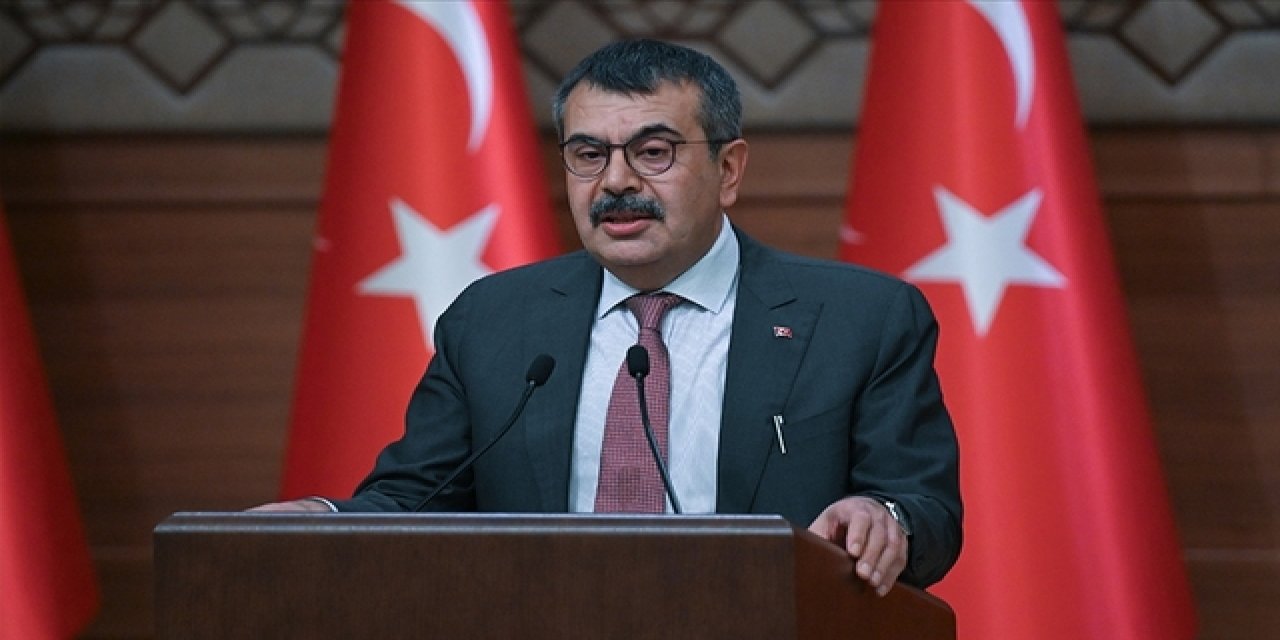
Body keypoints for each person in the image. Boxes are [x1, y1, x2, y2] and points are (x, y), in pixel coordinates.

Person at [254, 39, 961, 595]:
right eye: (588, 154)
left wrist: (885, 518)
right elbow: (419, 497)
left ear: (729, 170)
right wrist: (326, 517)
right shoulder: (493, 321)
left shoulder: (858, 318)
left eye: (653, 152)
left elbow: (927, 510)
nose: (616, 182)